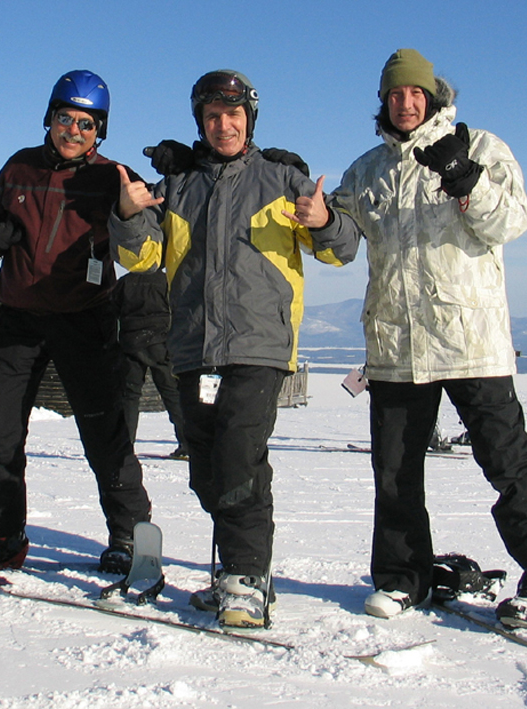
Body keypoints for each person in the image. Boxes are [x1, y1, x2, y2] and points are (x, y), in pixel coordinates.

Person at [329, 49, 527, 628]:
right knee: (394, 471)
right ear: (384, 102)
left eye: (415, 92)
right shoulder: (366, 171)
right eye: (395, 94)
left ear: (433, 95)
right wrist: (317, 217)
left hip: (471, 339)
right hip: (395, 344)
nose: (405, 102)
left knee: (505, 459)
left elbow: (510, 223)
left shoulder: (481, 146)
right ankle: (402, 577)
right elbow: (340, 244)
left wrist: (465, 179)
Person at [109, 69, 361, 628]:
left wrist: (324, 221)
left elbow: (342, 250)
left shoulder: (280, 177)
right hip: (194, 350)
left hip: (258, 347)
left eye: (234, 115)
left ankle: (247, 576)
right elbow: (138, 258)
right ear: (201, 121)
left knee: (241, 458)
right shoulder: (178, 185)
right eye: (212, 117)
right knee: (207, 469)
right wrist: (128, 216)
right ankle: (235, 574)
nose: (224, 126)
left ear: (250, 118)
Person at [0, 70, 152, 576]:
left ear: (101, 131)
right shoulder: (19, 166)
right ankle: (3, 534)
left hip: (86, 319)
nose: (74, 131)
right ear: (49, 118)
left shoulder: (113, 176)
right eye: (65, 118)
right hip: (20, 319)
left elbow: (152, 225)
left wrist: (140, 201)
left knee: (104, 433)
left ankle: (129, 536)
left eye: (87, 124)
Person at [111, 270, 188, 459]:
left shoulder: (124, 282)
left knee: (129, 396)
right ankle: (187, 445)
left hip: (131, 343)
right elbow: (179, 308)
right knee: (172, 394)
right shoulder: (166, 280)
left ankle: (125, 447)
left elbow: (113, 310)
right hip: (161, 343)